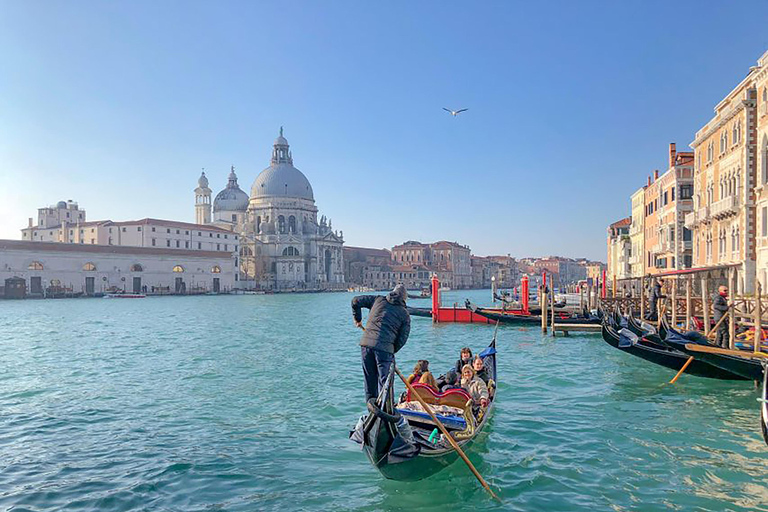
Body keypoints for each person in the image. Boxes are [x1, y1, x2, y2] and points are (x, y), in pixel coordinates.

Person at [352, 284, 411, 402]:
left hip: (366, 345)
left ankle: (371, 409)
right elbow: (402, 338)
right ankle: (385, 411)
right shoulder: (405, 314)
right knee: (385, 383)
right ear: (404, 298)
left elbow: (355, 301)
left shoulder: (377, 300)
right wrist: (392, 350)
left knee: (369, 381)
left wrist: (357, 319)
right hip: (385, 350)